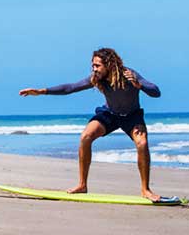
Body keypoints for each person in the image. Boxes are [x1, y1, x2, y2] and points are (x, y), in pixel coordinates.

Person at [18, 47, 162, 200]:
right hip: (110, 114)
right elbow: (71, 88)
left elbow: (156, 92)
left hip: (131, 116)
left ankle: (145, 190)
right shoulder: (96, 78)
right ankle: (82, 185)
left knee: (142, 143)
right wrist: (42, 91)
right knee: (86, 136)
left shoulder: (128, 75)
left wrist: (139, 85)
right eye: (93, 65)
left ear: (109, 64)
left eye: (97, 65)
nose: (94, 69)